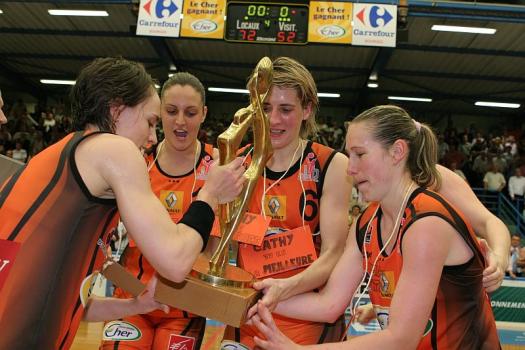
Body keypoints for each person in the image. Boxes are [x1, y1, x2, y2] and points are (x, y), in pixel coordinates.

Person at [0, 57, 246, 349]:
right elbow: (175, 262)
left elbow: (71, 302)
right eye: (150, 121)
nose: (152, 137)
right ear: (117, 110)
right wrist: (211, 194)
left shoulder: (52, 159)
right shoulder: (115, 149)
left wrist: (134, 306)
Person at [250, 105, 500, 349]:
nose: (350, 168)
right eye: (349, 156)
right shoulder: (366, 223)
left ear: (397, 151)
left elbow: (400, 340)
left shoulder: (427, 223)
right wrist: (256, 299)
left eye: (360, 154)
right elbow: (328, 305)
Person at [223, 57, 352, 347]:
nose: (273, 120)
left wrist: (284, 288)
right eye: (265, 108)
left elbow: (334, 253)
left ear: (307, 109)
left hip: (307, 317)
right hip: (246, 314)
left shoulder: (330, 164)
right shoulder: (238, 163)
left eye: (285, 109)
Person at [93, 72, 216, 349]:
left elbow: (212, 252)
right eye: (171, 111)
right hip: (131, 300)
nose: (180, 122)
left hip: (185, 308)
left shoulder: (217, 168)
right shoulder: (136, 162)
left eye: (191, 112)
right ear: (159, 111)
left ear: (204, 113)